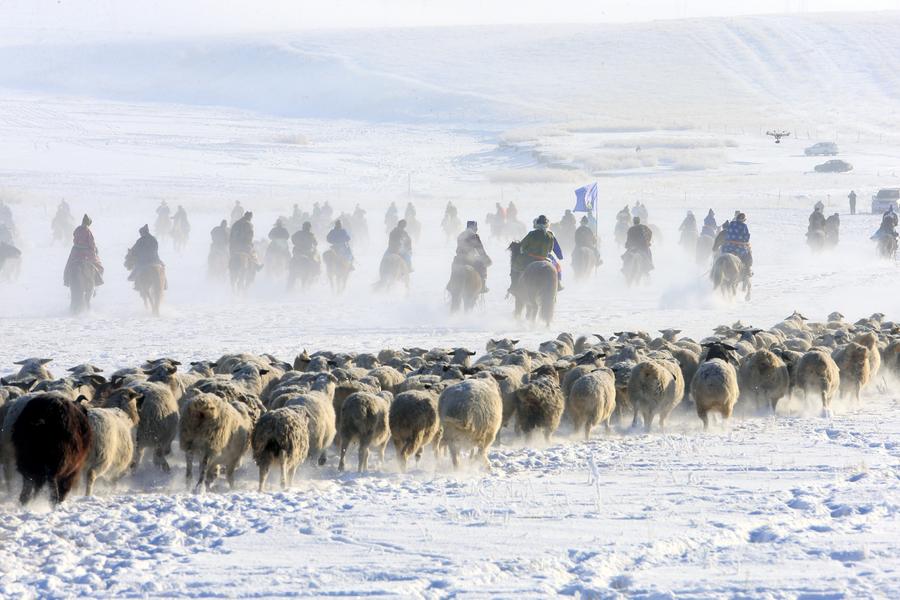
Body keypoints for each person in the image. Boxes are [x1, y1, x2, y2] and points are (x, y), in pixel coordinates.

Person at [518, 215, 564, 289]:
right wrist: (560, 256)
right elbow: (550, 249)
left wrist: (523, 251)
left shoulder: (531, 234)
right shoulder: (550, 235)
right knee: (557, 266)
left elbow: (522, 246)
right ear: (547, 225)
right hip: (545, 258)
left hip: (530, 257)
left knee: (518, 267)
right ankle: (558, 284)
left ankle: (515, 286)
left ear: (536, 224)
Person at [64, 214, 104, 287]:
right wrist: (94, 249)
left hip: (76, 250)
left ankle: (66, 279)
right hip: (87, 252)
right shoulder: (88, 231)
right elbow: (91, 243)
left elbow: (74, 238)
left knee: (69, 264)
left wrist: (77, 244)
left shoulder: (77, 229)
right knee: (99, 266)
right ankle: (98, 280)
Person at [451, 220, 491, 292]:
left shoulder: (460, 235)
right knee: (482, 266)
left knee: (455, 267)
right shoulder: (474, 236)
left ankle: (451, 284)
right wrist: (485, 258)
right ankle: (483, 286)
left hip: (459, 258)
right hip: (469, 259)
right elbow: (480, 249)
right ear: (474, 228)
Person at [126, 224, 164, 289]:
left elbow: (134, 250)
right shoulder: (154, 239)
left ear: (142, 232)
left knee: (135, 272)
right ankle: (164, 284)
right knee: (162, 268)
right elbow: (156, 248)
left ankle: (136, 285)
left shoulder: (140, 241)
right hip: (155, 259)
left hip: (144, 261)